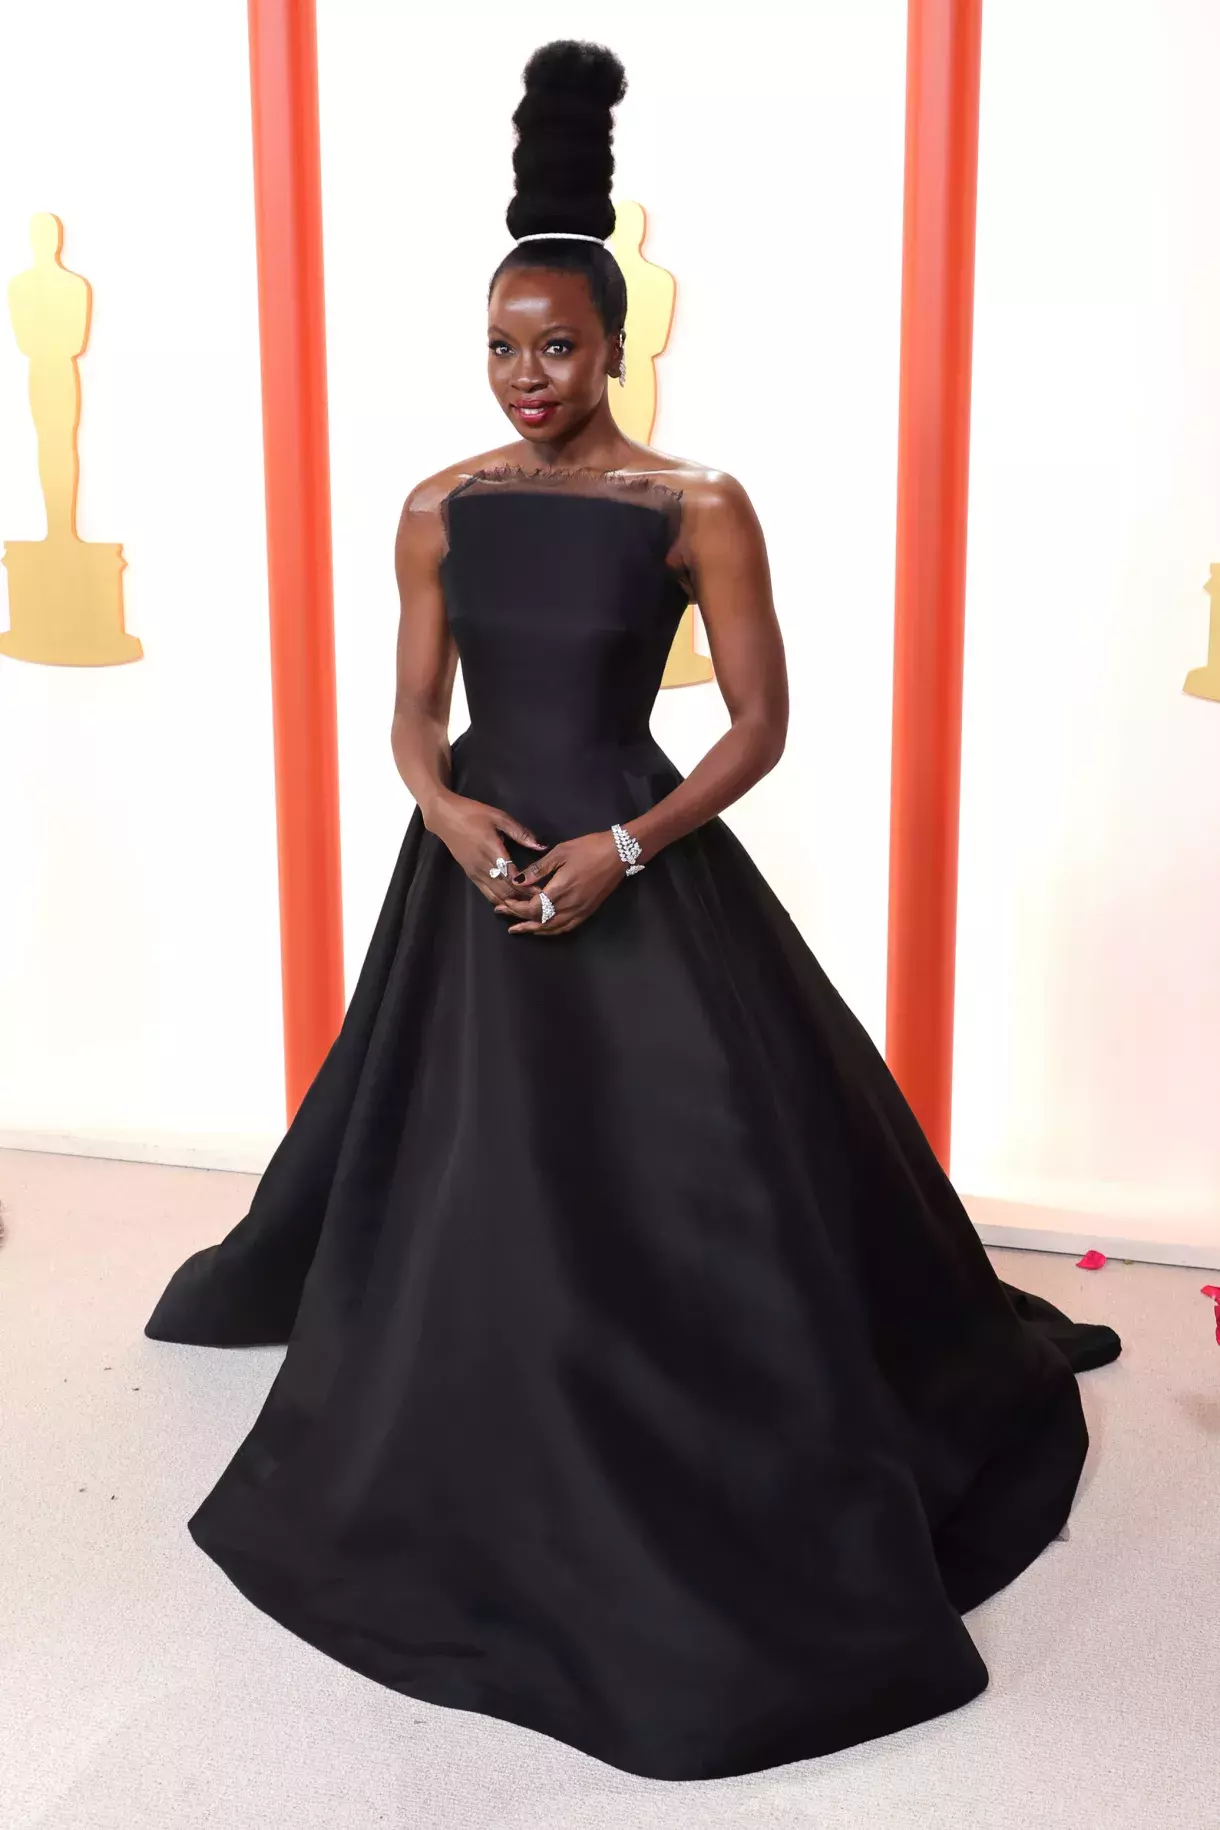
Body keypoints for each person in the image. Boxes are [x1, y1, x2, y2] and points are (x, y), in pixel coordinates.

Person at [146, 38, 1121, 1783]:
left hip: (628, 856)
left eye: (557, 346)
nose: (527, 376)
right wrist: (443, 807)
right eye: (501, 347)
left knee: (707, 1164)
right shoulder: (438, 506)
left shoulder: (694, 505)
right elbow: (412, 711)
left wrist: (628, 848)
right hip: (476, 873)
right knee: (467, 1166)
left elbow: (758, 724)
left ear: (617, 345)